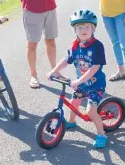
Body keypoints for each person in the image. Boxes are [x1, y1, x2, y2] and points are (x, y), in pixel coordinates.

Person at [46, 9, 108, 148]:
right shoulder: (75, 45)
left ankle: (101, 134)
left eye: (87, 27)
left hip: (96, 85)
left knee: (91, 111)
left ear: (93, 28)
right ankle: (71, 121)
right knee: (74, 102)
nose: (83, 30)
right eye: (79, 27)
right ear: (75, 30)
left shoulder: (97, 46)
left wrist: (79, 81)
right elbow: (66, 60)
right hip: (82, 85)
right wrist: (54, 71)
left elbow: (95, 67)